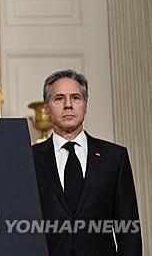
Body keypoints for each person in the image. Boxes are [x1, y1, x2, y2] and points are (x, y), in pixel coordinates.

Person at [32, 70, 142, 256]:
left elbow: (129, 230)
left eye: (75, 98)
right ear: (47, 109)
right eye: (59, 98)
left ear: (85, 105)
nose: (68, 105)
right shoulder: (30, 159)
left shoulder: (114, 158)